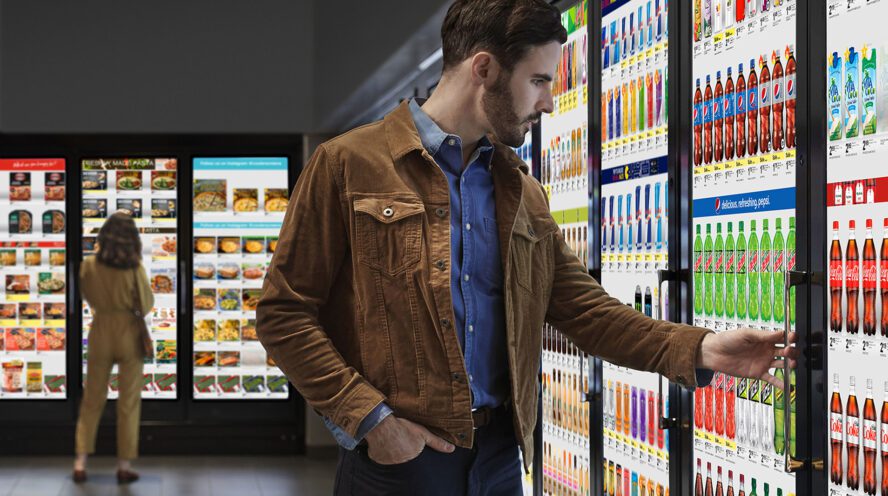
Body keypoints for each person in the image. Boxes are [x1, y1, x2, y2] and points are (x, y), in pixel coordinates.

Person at [257, 0, 796, 493]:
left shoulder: (521, 189)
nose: (550, 100)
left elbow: (586, 310)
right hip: (398, 466)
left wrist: (702, 349)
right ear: (485, 69)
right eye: (538, 80)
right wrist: (372, 421)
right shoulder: (348, 164)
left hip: (499, 462)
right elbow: (284, 314)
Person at [73, 212, 154, 484]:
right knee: (128, 402)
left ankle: (80, 462)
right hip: (129, 332)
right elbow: (146, 303)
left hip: (100, 330)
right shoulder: (134, 267)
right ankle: (123, 465)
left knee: (92, 398)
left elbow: (85, 294)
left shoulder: (88, 265)